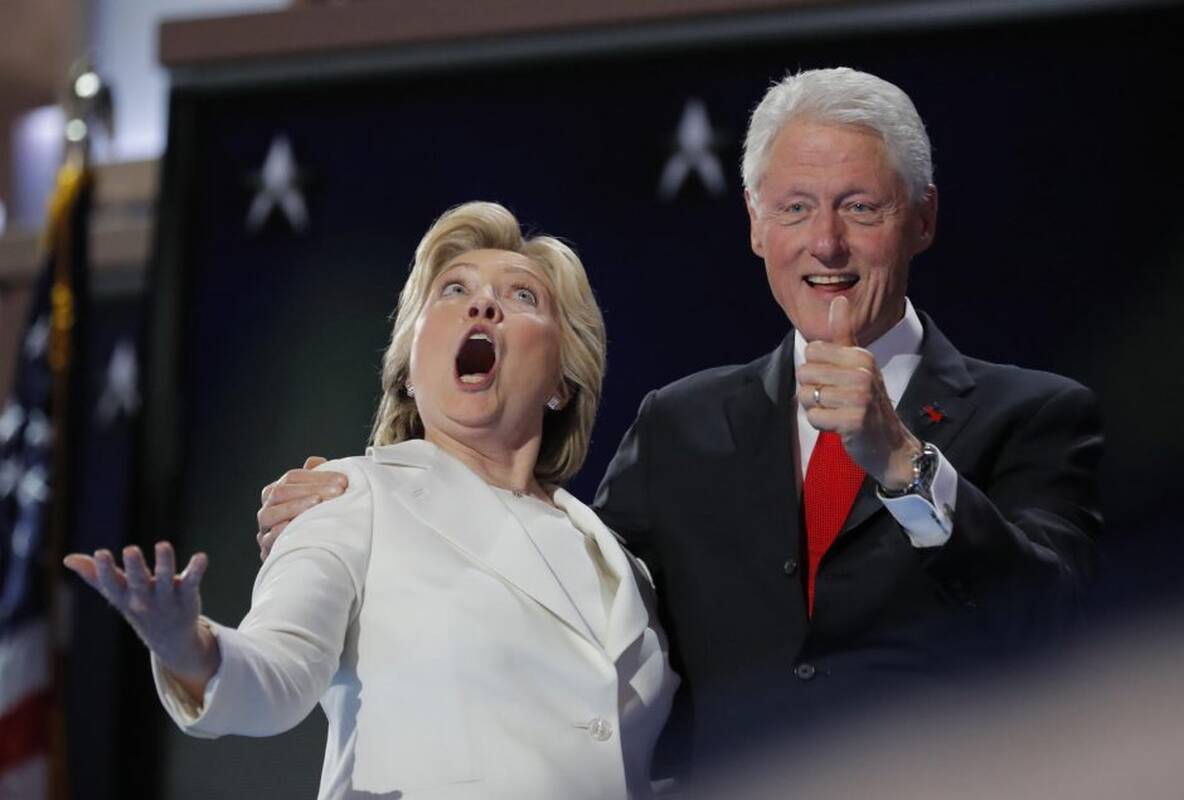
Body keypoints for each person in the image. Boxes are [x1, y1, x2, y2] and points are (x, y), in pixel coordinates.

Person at [258, 68, 1102, 774]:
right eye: (796, 208)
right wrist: (371, 519)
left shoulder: (1033, 417)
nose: (826, 244)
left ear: (922, 217)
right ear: (756, 224)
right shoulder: (680, 424)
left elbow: (1058, 631)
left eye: (860, 208)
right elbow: (566, 611)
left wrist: (905, 466)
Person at [65, 201, 679, 799]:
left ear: (562, 383)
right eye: (453, 289)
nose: (484, 304)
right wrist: (189, 648)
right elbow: (280, 669)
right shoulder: (348, 496)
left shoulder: (622, 565)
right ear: (408, 369)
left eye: (523, 296)